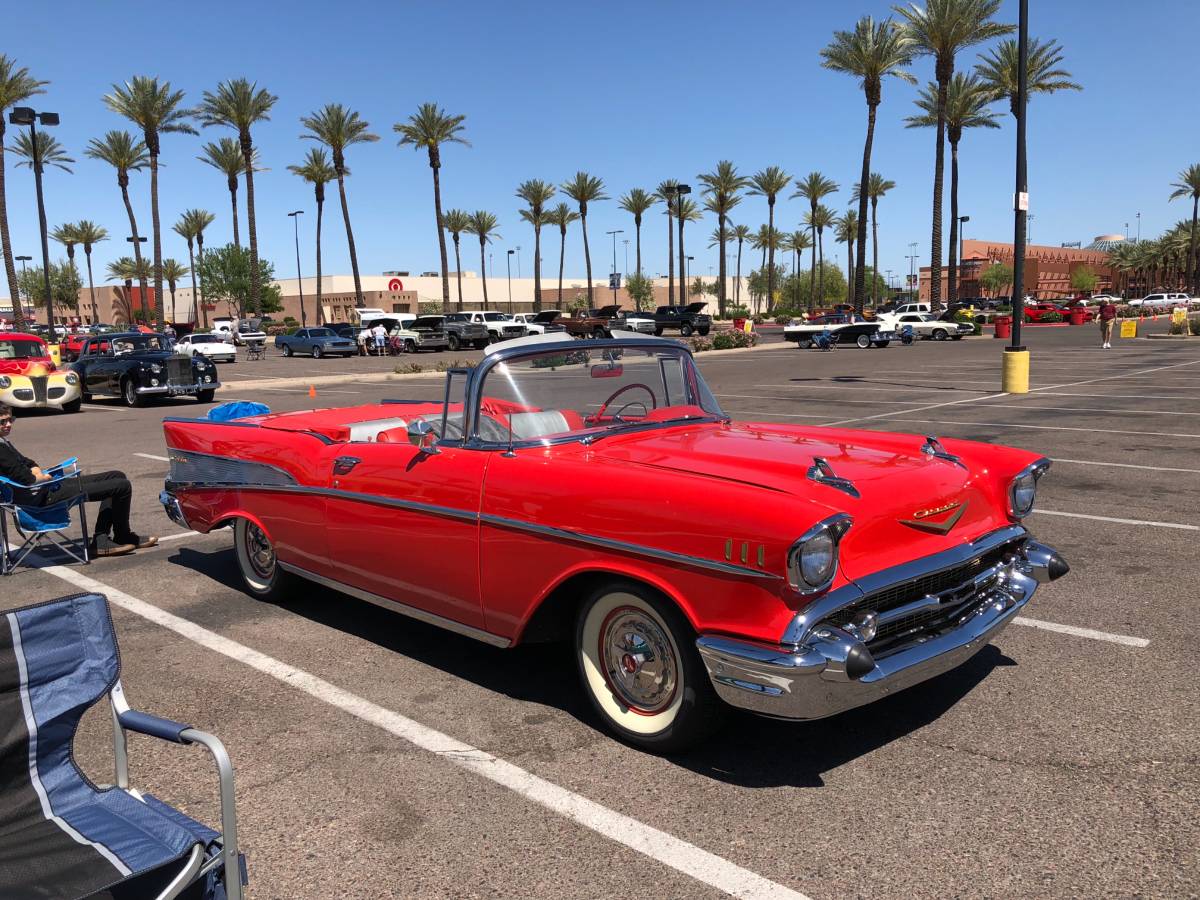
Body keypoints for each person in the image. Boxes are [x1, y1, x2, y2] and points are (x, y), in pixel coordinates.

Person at [0, 404, 158, 557]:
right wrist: (40, 476)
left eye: (10, 420)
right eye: (2, 422)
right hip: (40, 498)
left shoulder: (3, 442)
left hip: (46, 488)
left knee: (116, 475)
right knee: (122, 486)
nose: (8, 424)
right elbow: (28, 479)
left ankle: (103, 539)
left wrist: (37, 473)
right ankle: (117, 537)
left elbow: (29, 463)